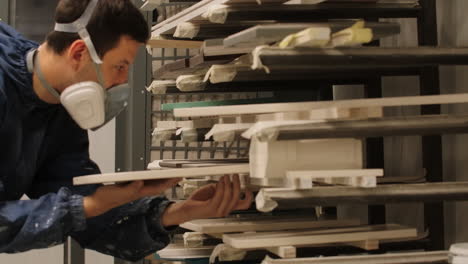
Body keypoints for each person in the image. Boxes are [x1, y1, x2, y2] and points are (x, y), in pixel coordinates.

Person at [0, 0, 252, 261]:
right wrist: (93, 204)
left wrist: (180, 211)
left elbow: (83, 211)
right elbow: (80, 208)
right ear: (78, 53)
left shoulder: (58, 111)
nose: (122, 81)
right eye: (119, 67)